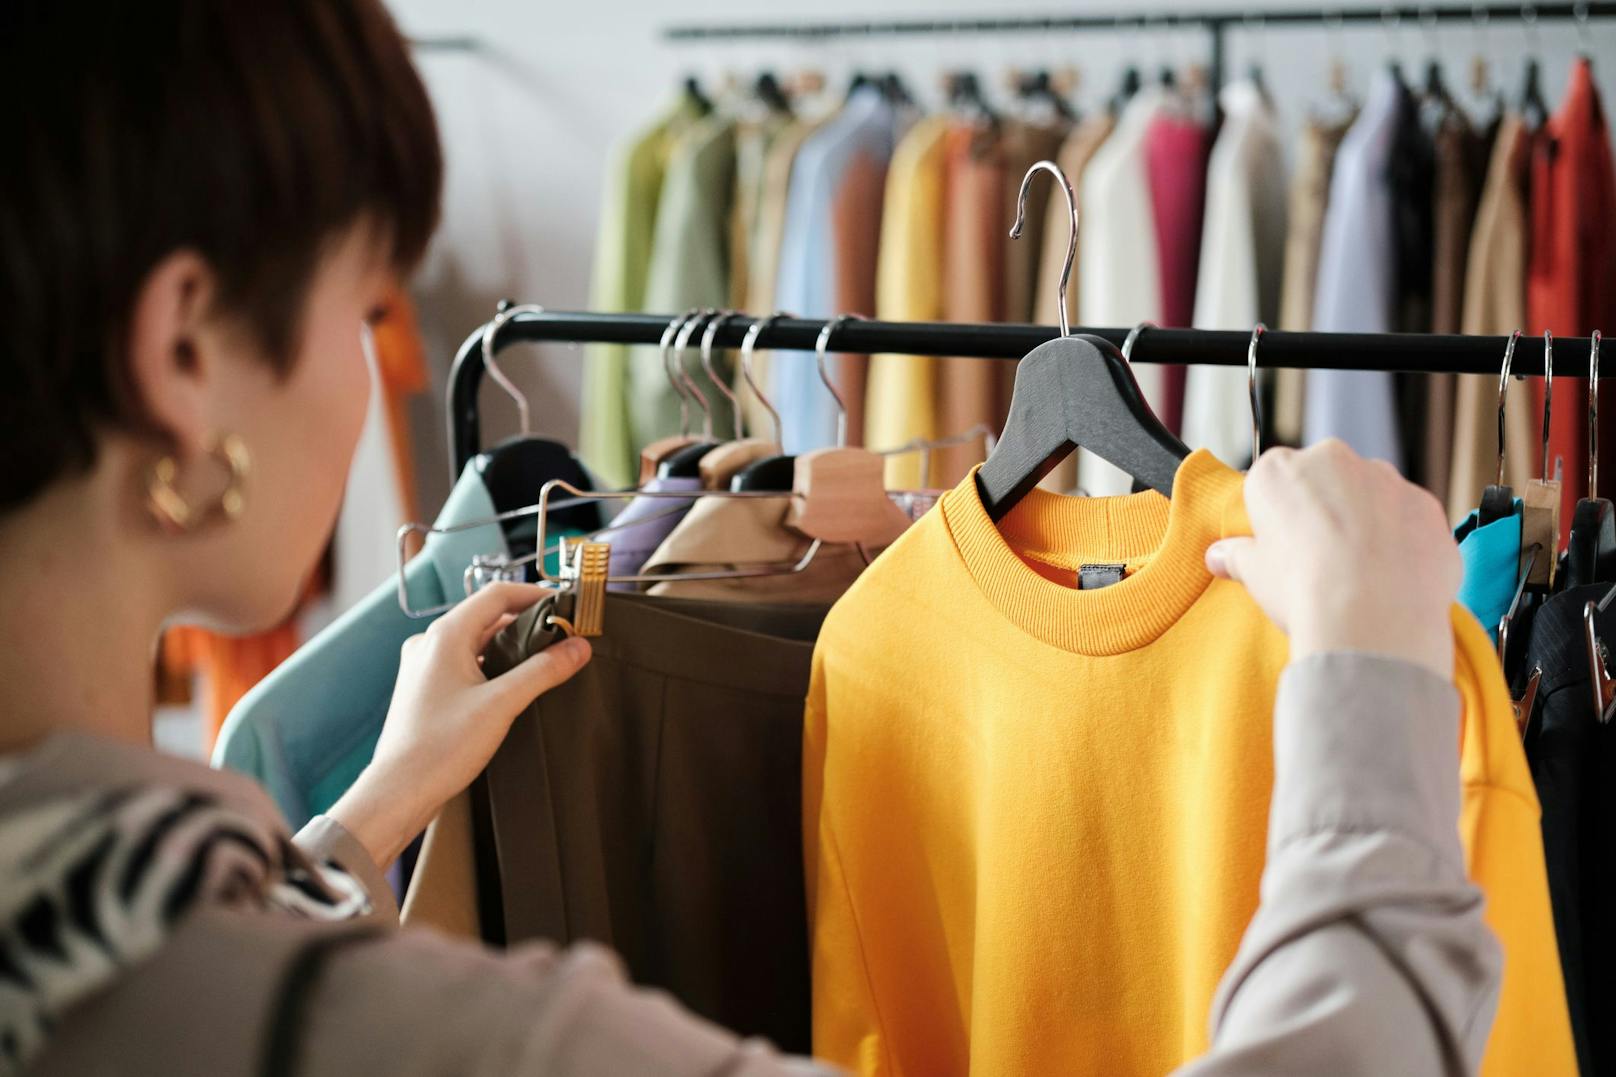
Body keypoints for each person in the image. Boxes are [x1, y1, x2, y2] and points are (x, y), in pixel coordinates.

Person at [0, 2, 1497, 1074]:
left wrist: (360, 823)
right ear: (186, 354)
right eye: (363, 304)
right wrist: (1372, 678)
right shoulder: (444, 1039)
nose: (372, 364)